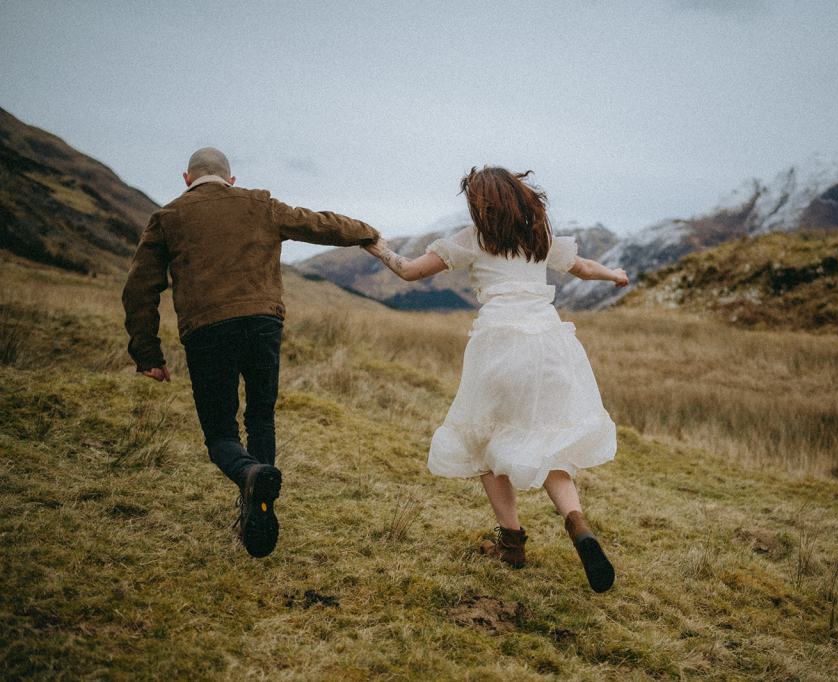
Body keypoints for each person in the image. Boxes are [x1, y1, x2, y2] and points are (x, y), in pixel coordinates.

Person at [363, 166, 626, 592]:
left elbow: (409, 271)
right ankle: (578, 525)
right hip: (549, 344)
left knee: (486, 439)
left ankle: (512, 543)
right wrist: (615, 275)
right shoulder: (538, 237)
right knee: (548, 440)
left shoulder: (475, 239)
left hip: (499, 346)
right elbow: (581, 267)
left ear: (481, 203)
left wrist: (376, 248)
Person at [122, 147, 379, 558]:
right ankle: (258, 505)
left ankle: (249, 475)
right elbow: (317, 224)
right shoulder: (259, 203)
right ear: (231, 179)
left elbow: (140, 288)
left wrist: (148, 354)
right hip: (263, 325)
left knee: (221, 434)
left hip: (207, 332)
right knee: (261, 416)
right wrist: (364, 231)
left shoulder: (168, 218)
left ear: (186, 179)